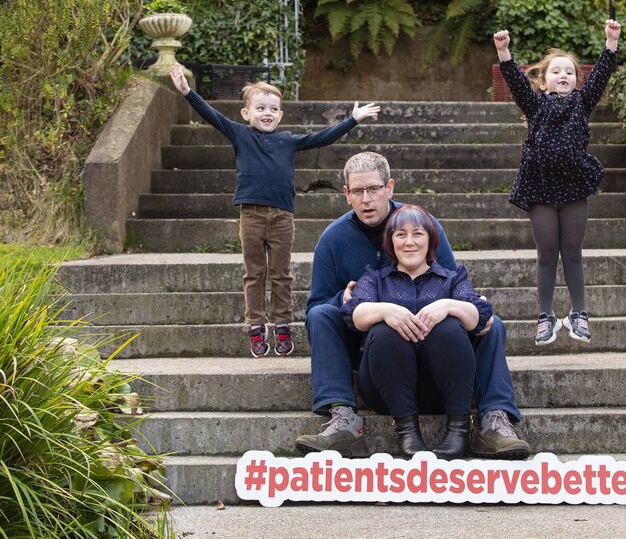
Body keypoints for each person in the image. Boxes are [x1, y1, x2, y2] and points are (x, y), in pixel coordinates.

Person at [294, 151, 530, 460]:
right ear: (346, 194)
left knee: (491, 323)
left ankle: (493, 419)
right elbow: (321, 301)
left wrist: (463, 305)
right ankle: (342, 418)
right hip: (370, 343)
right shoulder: (333, 239)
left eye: (374, 189)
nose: (367, 199)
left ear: (389, 188)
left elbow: (445, 279)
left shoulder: (423, 224)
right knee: (321, 313)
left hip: (433, 346)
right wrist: (350, 301)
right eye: (358, 191)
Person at [169, 64, 380, 358]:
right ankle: (256, 328)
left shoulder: (288, 140)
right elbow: (211, 115)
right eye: (260, 108)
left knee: (281, 274)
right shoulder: (240, 134)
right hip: (251, 215)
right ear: (246, 113)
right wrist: (187, 92)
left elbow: (322, 138)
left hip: (282, 217)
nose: (266, 113)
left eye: (272, 109)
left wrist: (352, 120)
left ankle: (282, 325)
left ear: (280, 114)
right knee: (254, 274)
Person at [493, 19, 622, 345]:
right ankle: (546, 315)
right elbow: (516, 83)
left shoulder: (582, 102)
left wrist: (610, 42)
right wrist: (504, 51)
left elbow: (601, 76)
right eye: (556, 72)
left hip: (574, 186)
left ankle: (579, 313)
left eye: (569, 72)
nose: (563, 75)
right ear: (544, 81)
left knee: (573, 251)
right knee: (547, 252)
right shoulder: (535, 104)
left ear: (577, 81)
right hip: (540, 188)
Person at [341, 205, 492, 460]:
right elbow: (354, 315)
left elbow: (478, 317)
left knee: (449, 326)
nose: (409, 242)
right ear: (390, 242)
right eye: (400, 235)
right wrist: (386, 310)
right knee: (384, 330)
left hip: (442, 388)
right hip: (387, 388)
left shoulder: (452, 279)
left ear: (431, 240)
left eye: (417, 234)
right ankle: (407, 431)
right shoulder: (375, 279)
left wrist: (448, 305)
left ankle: (459, 430)